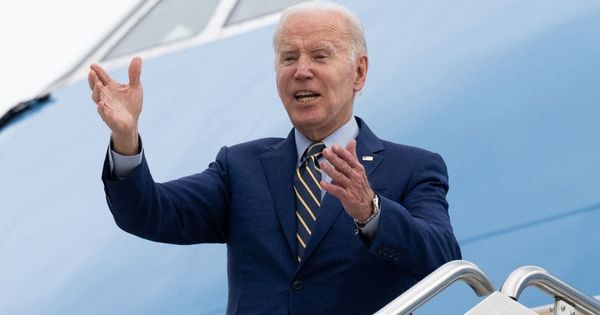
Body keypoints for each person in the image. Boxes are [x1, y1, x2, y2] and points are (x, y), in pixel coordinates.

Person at [88, 2, 461, 314]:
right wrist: (125, 138)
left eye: (319, 56)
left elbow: (443, 259)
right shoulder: (241, 167)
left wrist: (371, 212)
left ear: (359, 72)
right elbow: (149, 213)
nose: (301, 71)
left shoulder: (412, 168)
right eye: (288, 57)